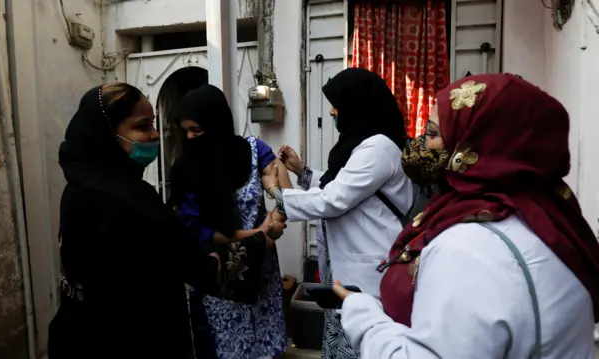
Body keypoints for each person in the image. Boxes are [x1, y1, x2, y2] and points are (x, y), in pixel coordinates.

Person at [333, 73, 599, 358]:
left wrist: (363, 314)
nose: (423, 144)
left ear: (475, 145)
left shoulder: (469, 248)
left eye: (433, 134)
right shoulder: (554, 221)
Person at [48, 83, 221, 359]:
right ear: (105, 135)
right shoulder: (132, 201)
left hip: (78, 336)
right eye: (142, 126)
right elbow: (193, 266)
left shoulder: (80, 186)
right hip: (131, 340)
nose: (154, 134)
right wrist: (221, 256)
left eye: (152, 124)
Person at [265, 67, 413, 359]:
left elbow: (334, 199)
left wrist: (275, 192)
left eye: (337, 103)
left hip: (371, 267)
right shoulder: (364, 144)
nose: (332, 112)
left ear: (358, 104)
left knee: (364, 342)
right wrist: (303, 172)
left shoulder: (378, 148)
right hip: (353, 265)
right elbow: (345, 187)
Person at [169, 84, 289, 359]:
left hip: (261, 269)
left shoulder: (254, 150)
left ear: (217, 122)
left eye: (196, 130)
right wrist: (258, 235)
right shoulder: (186, 168)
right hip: (220, 272)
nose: (190, 137)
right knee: (224, 348)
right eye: (185, 131)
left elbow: (286, 194)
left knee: (264, 342)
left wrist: (276, 220)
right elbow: (196, 229)